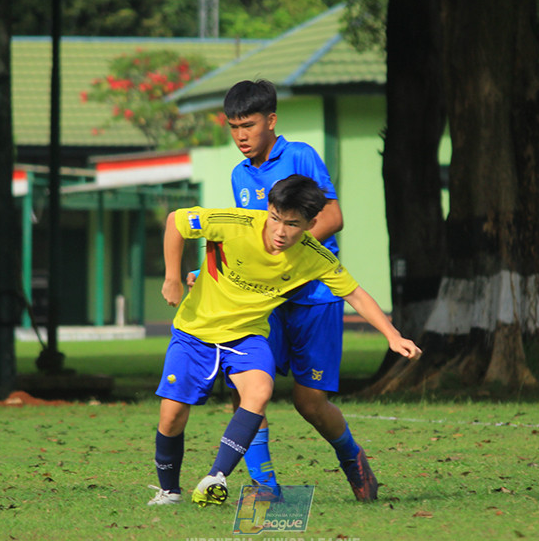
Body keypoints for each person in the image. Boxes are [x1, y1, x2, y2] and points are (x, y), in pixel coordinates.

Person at [149, 175, 421, 507]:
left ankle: (216, 477)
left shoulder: (314, 256)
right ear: (268, 208)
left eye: (292, 224)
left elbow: (355, 294)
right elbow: (176, 221)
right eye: (275, 218)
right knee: (172, 416)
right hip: (194, 333)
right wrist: (172, 278)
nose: (280, 231)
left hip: (246, 336)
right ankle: (169, 492)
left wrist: (393, 336)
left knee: (260, 391)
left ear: (310, 224)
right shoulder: (235, 223)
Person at [221, 79, 376, 502]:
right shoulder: (239, 175)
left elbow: (333, 217)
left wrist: (286, 256)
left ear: (271, 120)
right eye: (234, 127)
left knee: (309, 403)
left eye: (249, 125)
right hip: (266, 299)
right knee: (246, 389)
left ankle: (354, 461)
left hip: (315, 298)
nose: (241, 136)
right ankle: (265, 487)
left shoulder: (301, 156)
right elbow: (250, 238)